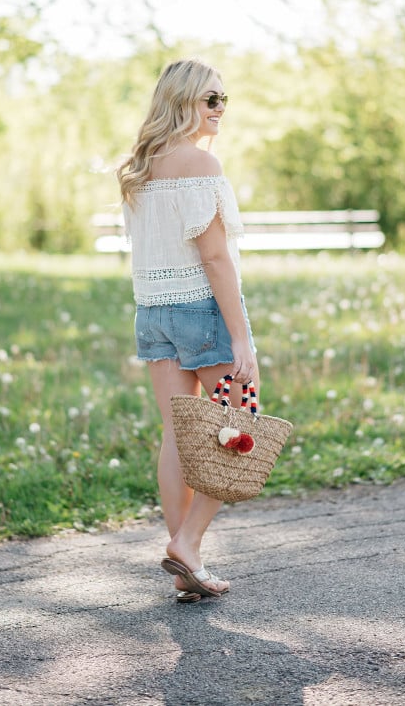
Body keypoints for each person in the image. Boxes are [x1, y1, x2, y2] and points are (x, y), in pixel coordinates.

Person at [117, 58, 259, 603]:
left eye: (224, 98)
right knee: (237, 429)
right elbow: (216, 258)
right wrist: (241, 337)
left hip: (153, 313)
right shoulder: (200, 162)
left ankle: (183, 564)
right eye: (212, 99)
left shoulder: (142, 165)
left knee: (179, 436)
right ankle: (189, 545)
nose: (221, 109)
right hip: (201, 311)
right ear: (183, 102)